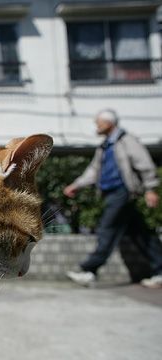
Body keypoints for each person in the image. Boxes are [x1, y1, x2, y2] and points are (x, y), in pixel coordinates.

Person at [63, 109, 162, 288]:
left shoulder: (126, 141)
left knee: (106, 229)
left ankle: (89, 270)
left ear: (109, 123)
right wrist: (76, 185)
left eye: (98, 123)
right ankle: (160, 271)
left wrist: (150, 189)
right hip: (112, 194)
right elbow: (93, 171)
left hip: (122, 192)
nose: (96, 126)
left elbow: (144, 163)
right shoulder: (105, 146)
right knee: (140, 235)